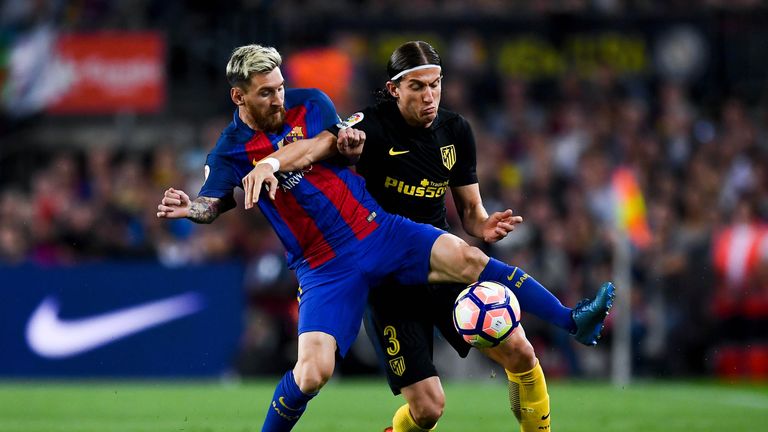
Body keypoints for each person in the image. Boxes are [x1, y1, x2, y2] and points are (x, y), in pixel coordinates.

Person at [156, 44, 614, 432]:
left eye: (279, 86)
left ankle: (573, 320)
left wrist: (311, 155)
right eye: (265, 93)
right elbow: (212, 203)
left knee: (466, 256)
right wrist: (192, 209)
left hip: (374, 229)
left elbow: (332, 143)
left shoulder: (310, 102)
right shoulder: (230, 149)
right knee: (313, 374)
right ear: (239, 96)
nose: (278, 99)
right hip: (321, 267)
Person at [330, 40, 614, 432]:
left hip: (440, 263)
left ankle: (568, 329)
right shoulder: (369, 127)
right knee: (428, 410)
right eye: (417, 87)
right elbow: (327, 151)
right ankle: (570, 319)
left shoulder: (456, 131)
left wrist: (483, 225)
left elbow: (470, 212)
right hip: (388, 280)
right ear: (394, 89)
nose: (429, 96)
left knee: (521, 352)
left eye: (436, 84)